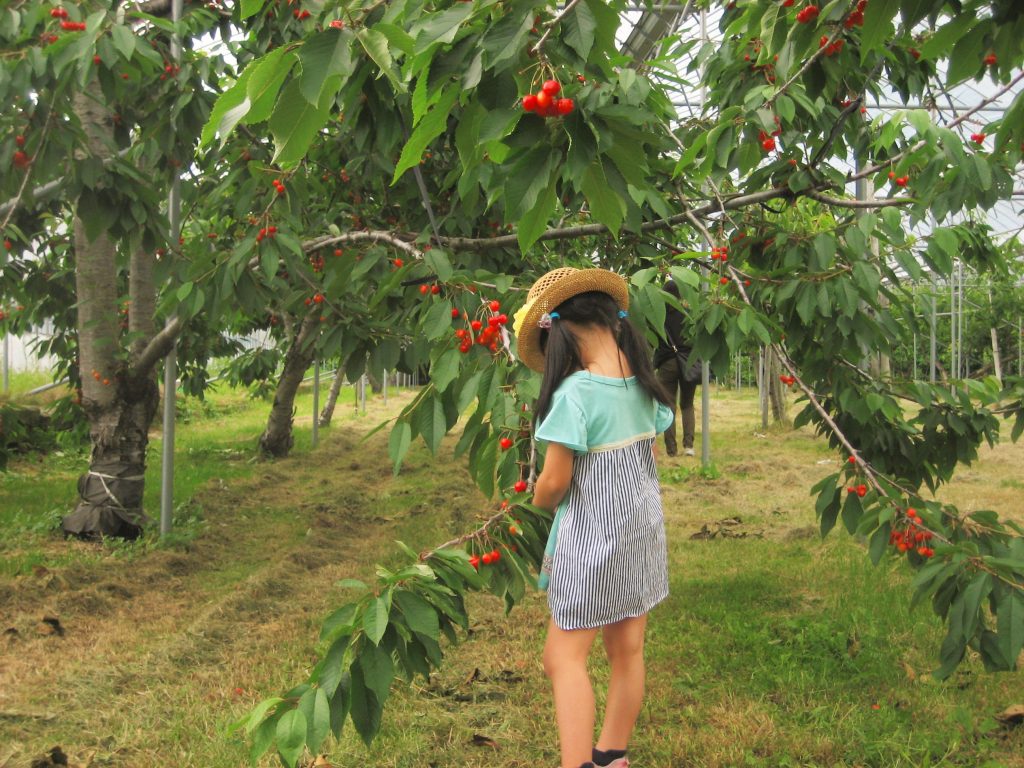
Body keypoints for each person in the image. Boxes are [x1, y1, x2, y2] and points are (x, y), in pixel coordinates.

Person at [512, 267, 675, 768]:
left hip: (595, 542)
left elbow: (555, 483)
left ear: (560, 332)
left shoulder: (576, 394)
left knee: (562, 657)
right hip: (643, 532)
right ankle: (610, 756)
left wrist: (526, 504)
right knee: (627, 650)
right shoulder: (640, 380)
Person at [653, 280, 700, 457]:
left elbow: (655, 342)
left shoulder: (659, 315)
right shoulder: (688, 315)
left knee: (668, 405)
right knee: (687, 404)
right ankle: (689, 446)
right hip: (688, 362)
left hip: (667, 364)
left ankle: (671, 449)